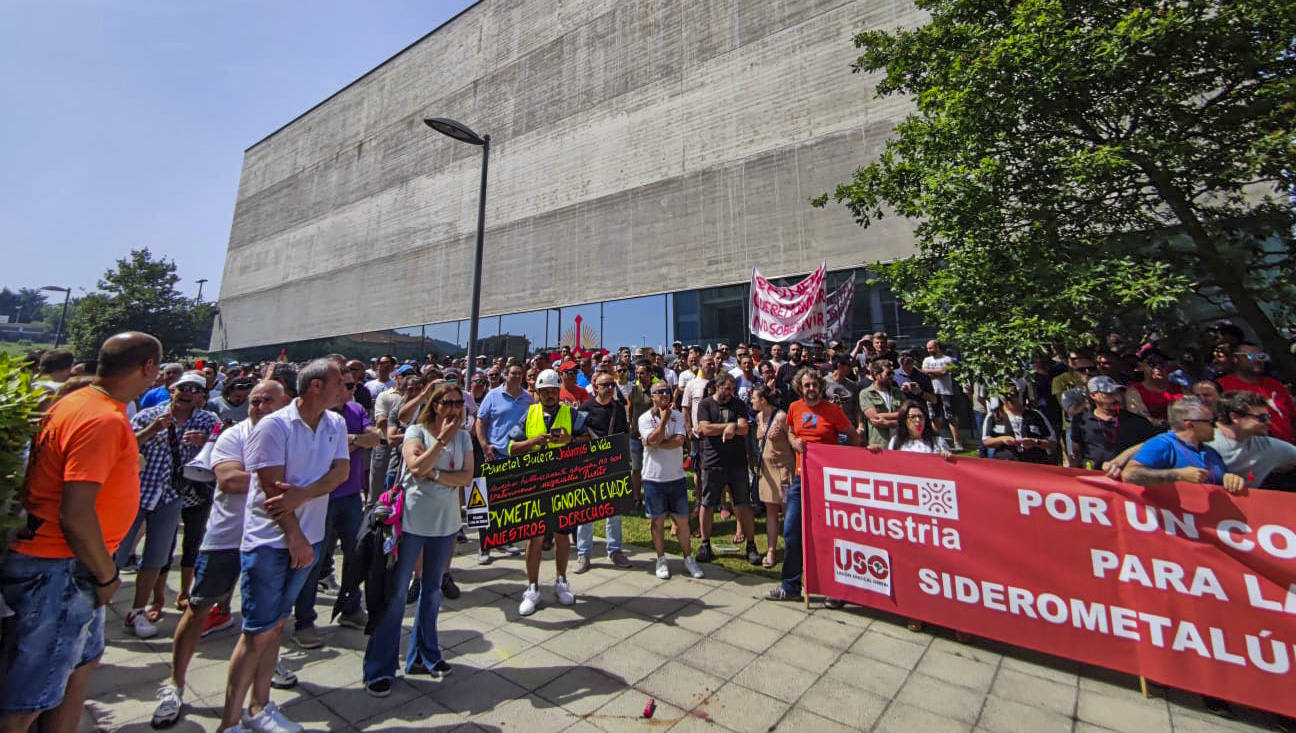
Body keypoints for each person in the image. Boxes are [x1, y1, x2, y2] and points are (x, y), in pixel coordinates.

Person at [0, 332, 160, 733]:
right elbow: (76, 513)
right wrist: (107, 574)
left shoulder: (78, 403)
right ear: (148, 368)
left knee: (82, 662)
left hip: (66, 568)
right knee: (27, 700)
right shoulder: (101, 418)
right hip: (62, 569)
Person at [150, 380, 293, 729]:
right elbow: (228, 480)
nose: (258, 406)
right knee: (198, 608)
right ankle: (175, 683)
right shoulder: (232, 434)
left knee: (271, 621)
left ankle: (261, 695)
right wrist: (283, 479)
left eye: (267, 401)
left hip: (271, 538)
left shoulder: (292, 436)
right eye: (255, 401)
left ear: (285, 402)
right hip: (227, 537)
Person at [218, 359, 351, 733]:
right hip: (270, 543)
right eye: (339, 382)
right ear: (315, 387)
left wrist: (304, 496)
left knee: (276, 626)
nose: (346, 387)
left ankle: (260, 707)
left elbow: (339, 472)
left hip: (309, 540)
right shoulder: (273, 426)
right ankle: (229, 723)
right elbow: (270, 489)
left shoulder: (336, 423)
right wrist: (293, 535)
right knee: (257, 630)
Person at [363, 383, 473, 696]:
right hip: (411, 521)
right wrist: (439, 442)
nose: (453, 408)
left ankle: (425, 655)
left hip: (445, 522)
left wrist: (436, 475)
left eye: (457, 403)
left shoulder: (463, 437)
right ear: (434, 405)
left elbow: (465, 477)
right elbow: (415, 465)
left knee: (433, 589)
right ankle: (379, 667)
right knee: (396, 593)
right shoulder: (416, 432)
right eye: (446, 402)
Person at [118, 372, 220, 638]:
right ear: (171, 390)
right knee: (115, 554)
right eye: (182, 388)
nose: (187, 393)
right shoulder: (148, 415)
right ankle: (94, 605)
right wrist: (152, 430)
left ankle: (138, 610)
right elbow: (122, 447)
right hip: (137, 493)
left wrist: (207, 442)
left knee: (156, 557)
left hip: (172, 497)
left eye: (194, 389)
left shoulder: (208, 420)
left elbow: (223, 452)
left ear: (201, 396)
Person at [292, 366, 381, 648]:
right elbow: (323, 450)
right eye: (346, 385)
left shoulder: (353, 412)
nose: (351, 390)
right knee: (313, 559)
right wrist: (356, 441)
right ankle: (304, 621)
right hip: (318, 498)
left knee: (357, 553)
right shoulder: (317, 417)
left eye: (354, 385)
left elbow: (375, 437)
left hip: (350, 494)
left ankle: (350, 608)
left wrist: (349, 442)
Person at [766, 367, 860, 602]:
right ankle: (790, 586)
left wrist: (840, 455)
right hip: (800, 478)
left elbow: (853, 436)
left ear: (820, 386)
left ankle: (833, 589)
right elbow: (789, 430)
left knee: (827, 535)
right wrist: (793, 441)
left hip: (827, 481)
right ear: (800, 388)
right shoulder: (794, 408)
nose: (810, 389)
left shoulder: (833, 411)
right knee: (791, 532)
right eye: (806, 385)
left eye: (814, 385)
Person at [507, 369, 588, 616]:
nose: (551, 395)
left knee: (562, 534)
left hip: (564, 481)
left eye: (554, 391)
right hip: (536, 483)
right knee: (535, 537)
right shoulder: (529, 414)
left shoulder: (571, 414)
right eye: (546, 392)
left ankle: (561, 581)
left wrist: (569, 441)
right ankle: (532, 588)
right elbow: (511, 448)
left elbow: (590, 442)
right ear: (538, 393)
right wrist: (533, 442)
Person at [636, 381, 702, 579]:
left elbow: (679, 442)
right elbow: (654, 441)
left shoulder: (679, 416)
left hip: (676, 477)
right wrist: (663, 422)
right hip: (653, 478)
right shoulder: (644, 418)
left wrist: (653, 442)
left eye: (667, 391)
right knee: (657, 522)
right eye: (660, 392)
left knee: (682, 521)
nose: (665, 394)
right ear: (652, 396)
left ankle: (688, 558)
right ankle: (661, 558)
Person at [695, 372, 759, 565]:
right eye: (727, 389)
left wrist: (733, 427)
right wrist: (729, 426)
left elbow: (744, 428)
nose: (731, 393)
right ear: (718, 386)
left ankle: (751, 544)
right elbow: (704, 429)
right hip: (712, 461)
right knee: (707, 504)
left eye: (733, 389)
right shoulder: (705, 404)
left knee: (743, 504)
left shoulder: (738, 404)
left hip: (737, 462)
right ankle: (705, 543)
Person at [574, 372, 632, 572]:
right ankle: (583, 554)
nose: (609, 388)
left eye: (612, 385)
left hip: (614, 463)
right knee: (586, 511)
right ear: (595, 387)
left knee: (614, 510)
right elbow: (577, 436)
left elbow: (624, 433)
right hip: (590, 463)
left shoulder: (618, 408)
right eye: (605, 384)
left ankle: (615, 550)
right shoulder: (585, 408)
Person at [1121, 397, 1244, 492]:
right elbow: (1129, 474)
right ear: (1190, 425)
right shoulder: (1163, 444)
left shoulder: (1211, 452)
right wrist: (1178, 475)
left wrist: (1230, 479)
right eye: (1210, 422)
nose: (1215, 427)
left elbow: (1222, 480)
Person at [1206, 391, 1296, 489]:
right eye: (1262, 418)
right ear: (1235, 417)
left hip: (1249, 502)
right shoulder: (1206, 442)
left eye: (1268, 417)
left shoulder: (1267, 445)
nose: (1269, 422)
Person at [1069, 376, 1158, 470]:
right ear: (1093, 395)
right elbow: (1077, 452)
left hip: (1128, 474)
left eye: (1117, 392)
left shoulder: (1137, 421)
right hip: (1094, 474)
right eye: (1109, 393)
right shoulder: (1081, 420)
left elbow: (1153, 448)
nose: (1116, 397)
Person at [1218, 342, 1295, 444]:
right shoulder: (1222, 387)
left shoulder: (1274, 384)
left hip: (1290, 449)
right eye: (1251, 356)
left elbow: (1292, 416)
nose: (1258, 360)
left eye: (1261, 356)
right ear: (1235, 359)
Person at [751, 385, 793, 569]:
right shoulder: (759, 417)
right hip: (766, 471)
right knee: (770, 511)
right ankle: (771, 550)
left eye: (754, 398)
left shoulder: (781, 417)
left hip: (783, 470)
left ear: (763, 400)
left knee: (787, 512)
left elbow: (792, 441)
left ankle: (793, 551)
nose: (751, 401)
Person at [980, 380, 1058, 464]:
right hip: (1006, 464)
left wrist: (1035, 442)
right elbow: (986, 441)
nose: (1010, 400)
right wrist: (1002, 439)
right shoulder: (993, 416)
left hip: (1034, 463)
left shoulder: (1035, 415)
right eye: (1006, 397)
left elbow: (1052, 442)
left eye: (1014, 395)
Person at [922, 340, 964, 451]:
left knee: (950, 417)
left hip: (946, 391)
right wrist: (938, 372)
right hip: (932, 392)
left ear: (937, 347)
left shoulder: (947, 359)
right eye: (928, 348)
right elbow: (924, 372)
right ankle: (935, 442)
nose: (929, 350)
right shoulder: (927, 360)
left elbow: (944, 372)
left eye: (931, 348)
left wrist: (932, 372)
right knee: (934, 417)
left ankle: (957, 442)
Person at [1129, 348, 1182, 427]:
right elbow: (1141, 419)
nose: (1158, 367)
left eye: (1162, 363)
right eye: (1151, 363)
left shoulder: (1178, 387)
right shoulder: (1134, 391)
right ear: (1141, 366)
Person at [859, 360, 904, 448]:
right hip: (880, 445)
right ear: (876, 375)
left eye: (892, 373)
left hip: (900, 444)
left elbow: (907, 417)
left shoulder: (898, 392)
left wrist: (888, 423)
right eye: (888, 373)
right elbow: (875, 417)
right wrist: (899, 415)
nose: (891, 376)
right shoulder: (866, 393)